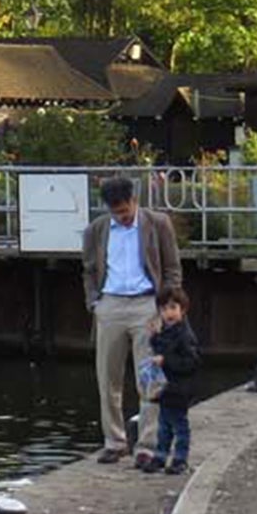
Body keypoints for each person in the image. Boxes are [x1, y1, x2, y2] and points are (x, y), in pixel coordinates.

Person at [81, 174, 183, 462]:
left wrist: (166, 305)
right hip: (110, 304)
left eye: (125, 211)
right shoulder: (96, 230)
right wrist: (94, 303)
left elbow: (173, 267)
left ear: (134, 201)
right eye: (116, 213)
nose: (122, 217)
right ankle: (115, 441)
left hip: (146, 304)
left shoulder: (158, 224)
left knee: (150, 377)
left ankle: (147, 446)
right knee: (107, 378)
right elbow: (89, 270)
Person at [137, 286, 201, 474]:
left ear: (183, 310)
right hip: (166, 389)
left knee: (180, 426)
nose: (169, 313)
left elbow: (192, 362)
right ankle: (161, 456)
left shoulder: (185, 335)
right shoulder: (166, 331)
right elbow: (159, 348)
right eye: (164, 309)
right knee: (163, 426)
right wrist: (154, 336)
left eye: (173, 308)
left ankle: (180, 459)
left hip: (180, 388)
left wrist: (166, 360)